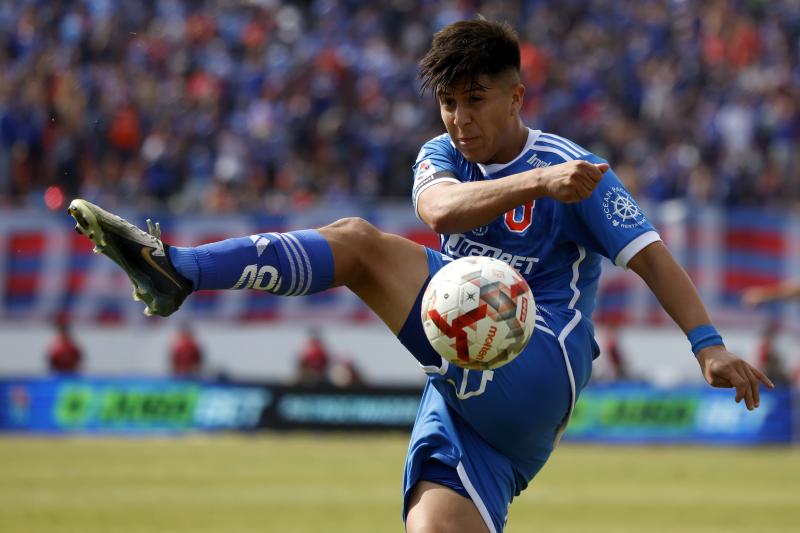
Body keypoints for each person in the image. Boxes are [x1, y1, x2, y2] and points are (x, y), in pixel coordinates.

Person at [67, 19, 773, 533]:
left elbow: (649, 251)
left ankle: (178, 270)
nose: (460, 119)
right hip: (467, 396)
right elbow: (437, 207)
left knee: (358, 246)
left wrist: (707, 344)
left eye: (476, 99)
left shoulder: (576, 167)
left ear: (516, 95)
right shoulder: (451, 157)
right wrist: (535, 185)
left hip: (540, 366)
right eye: (449, 102)